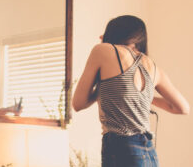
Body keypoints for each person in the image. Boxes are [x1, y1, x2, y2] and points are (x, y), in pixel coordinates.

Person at [72, 15, 190, 167]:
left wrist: (104, 84)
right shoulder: (152, 66)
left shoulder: (103, 50)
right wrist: (141, 96)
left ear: (111, 33)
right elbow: (183, 108)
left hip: (121, 149)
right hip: (149, 153)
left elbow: (78, 104)